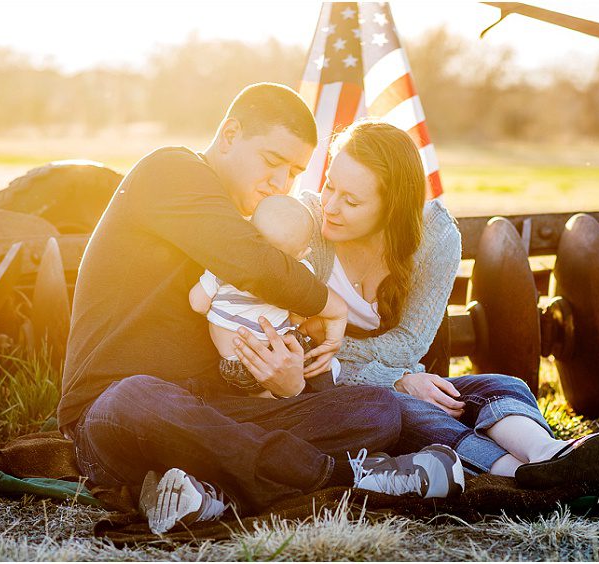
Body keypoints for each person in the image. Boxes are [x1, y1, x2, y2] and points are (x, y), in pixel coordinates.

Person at [57, 84, 463, 536]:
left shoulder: (257, 221)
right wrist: (329, 305)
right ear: (230, 135)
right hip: (115, 416)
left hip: (215, 413)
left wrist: (286, 382)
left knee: (376, 411)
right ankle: (342, 478)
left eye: (294, 173)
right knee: (136, 397)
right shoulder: (170, 172)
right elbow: (251, 264)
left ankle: (205, 491)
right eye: (272, 161)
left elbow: (243, 346)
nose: (280, 183)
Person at [234, 119, 599, 488]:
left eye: (351, 201)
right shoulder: (303, 226)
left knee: (502, 385)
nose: (331, 205)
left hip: (397, 373)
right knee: (402, 408)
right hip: (328, 391)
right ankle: (512, 474)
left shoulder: (435, 236)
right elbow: (304, 345)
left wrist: (402, 376)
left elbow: (410, 343)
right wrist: (396, 380)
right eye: (330, 185)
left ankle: (550, 453)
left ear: (391, 209)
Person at [188, 194, 336, 397]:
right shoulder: (300, 275)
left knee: (256, 392)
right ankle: (322, 377)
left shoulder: (224, 265)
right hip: (281, 353)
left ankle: (262, 396)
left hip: (236, 364)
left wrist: (218, 314)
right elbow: (297, 317)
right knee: (307, 349)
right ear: (302, 254)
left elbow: (197, 303)